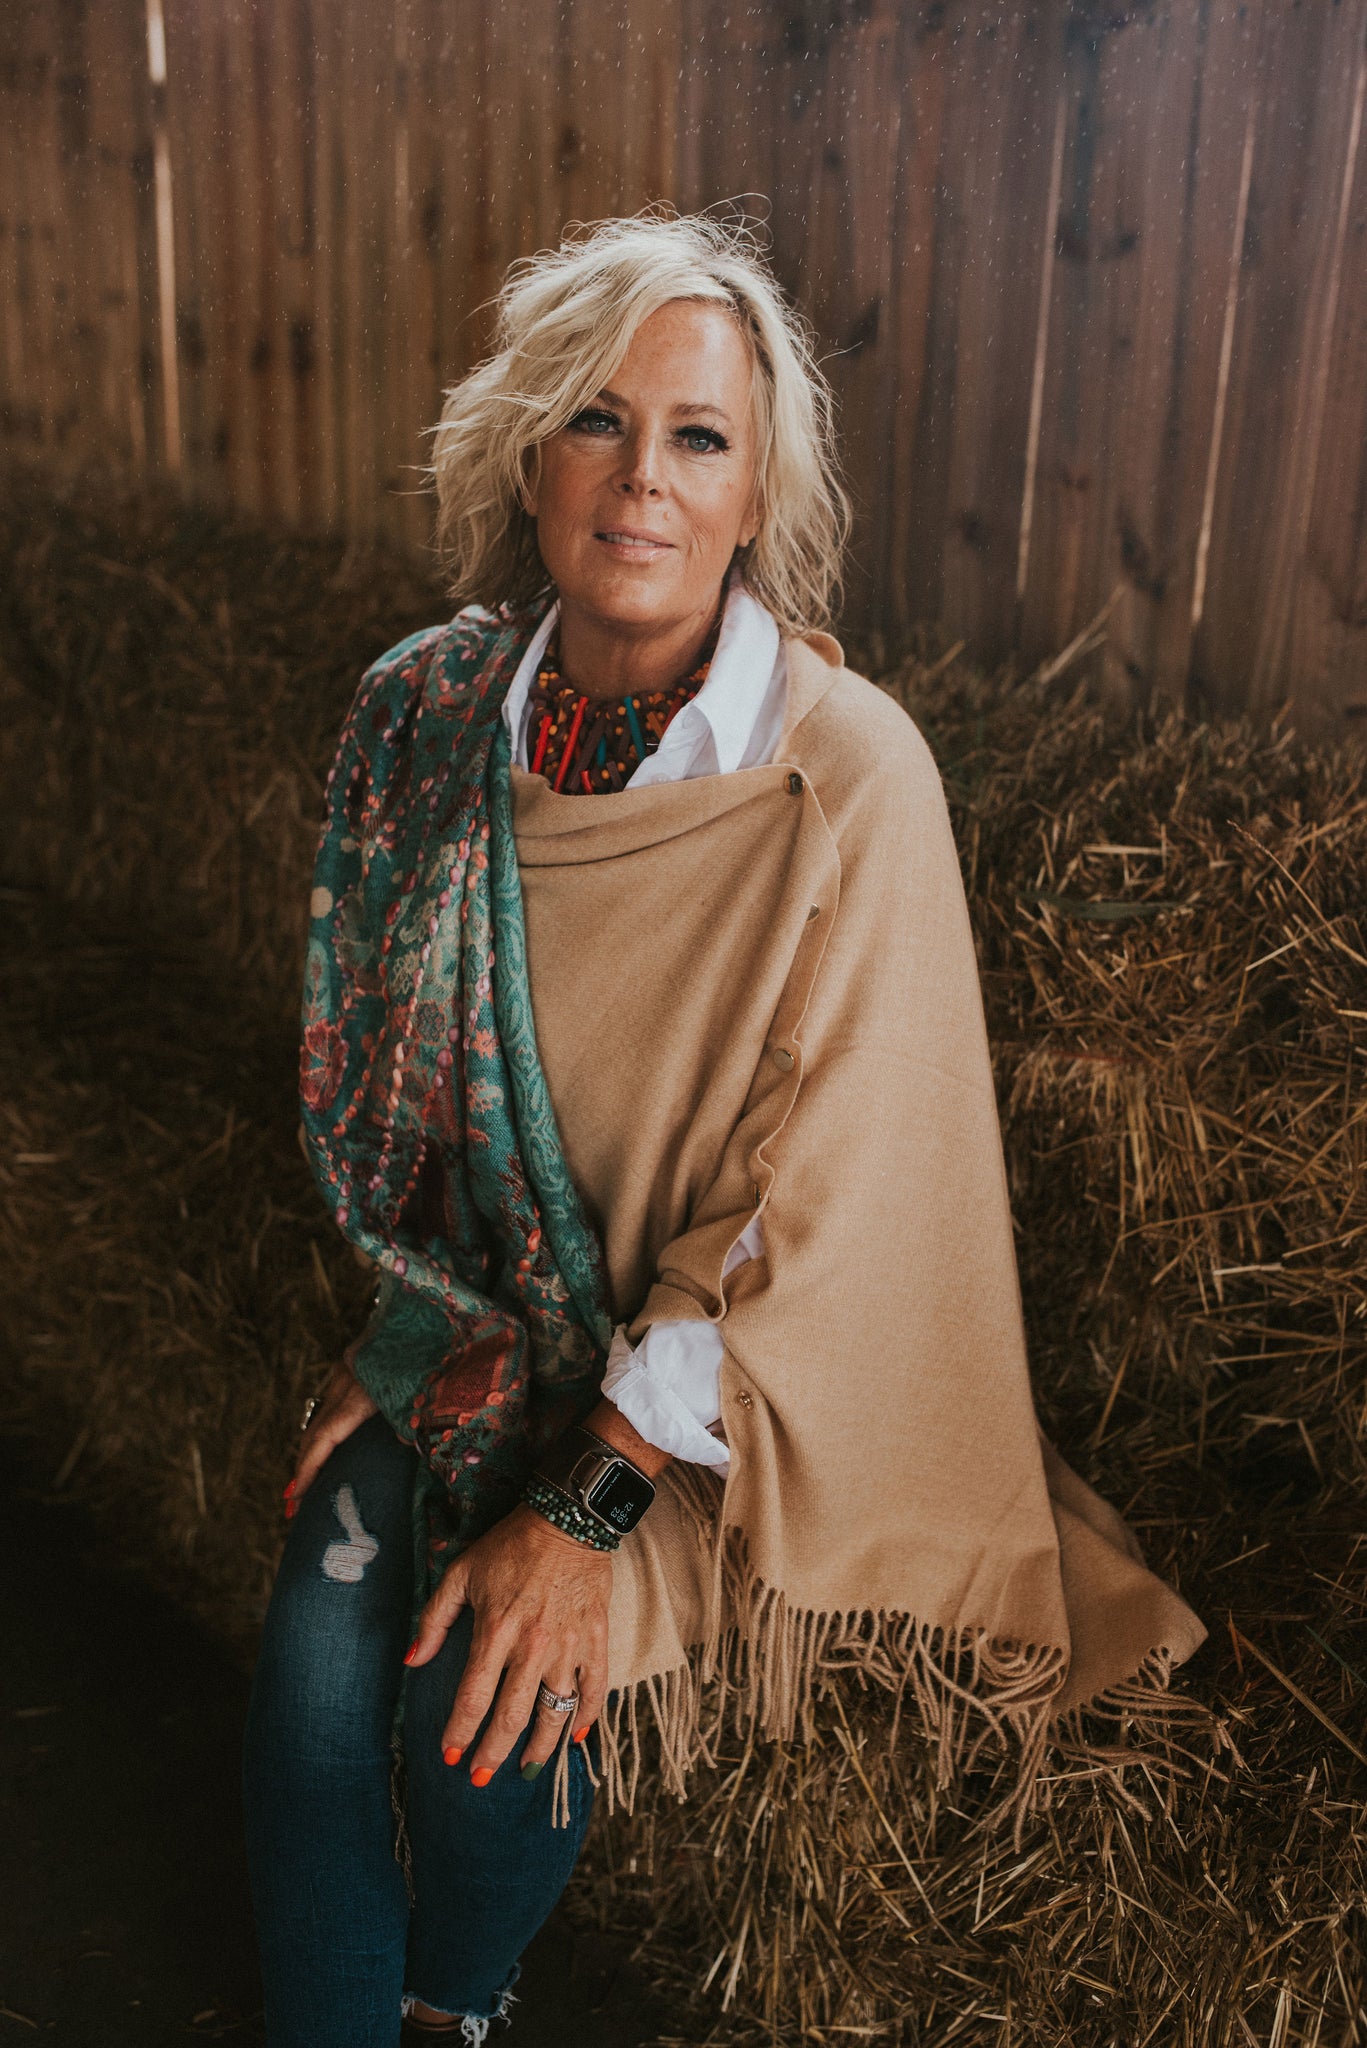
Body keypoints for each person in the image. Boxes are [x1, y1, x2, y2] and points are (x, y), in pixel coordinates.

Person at [241, 212, 1206, 2047]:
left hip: (719, 1394)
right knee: (309, 1672)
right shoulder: (425, 721)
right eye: (597, 422)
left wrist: (590, 1501)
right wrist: (409, 1321)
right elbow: (387, 1091)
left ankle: (448, 2011)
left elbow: (821, 1210)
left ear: (758, 492)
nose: (643, 480)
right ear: (529, 456)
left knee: (474, 1713)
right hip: (489, 1326)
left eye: (697, 437)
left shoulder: (843, 775)